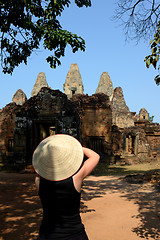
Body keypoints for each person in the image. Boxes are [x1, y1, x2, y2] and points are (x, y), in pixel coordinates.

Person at [32, 134, 100, 240]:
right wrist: (74, 149)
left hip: (47, 235)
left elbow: (38, 166)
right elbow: (95, 156)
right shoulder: (76, 179)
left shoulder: (38, 181)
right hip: (74, 234)